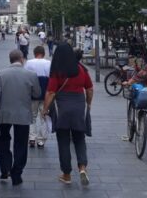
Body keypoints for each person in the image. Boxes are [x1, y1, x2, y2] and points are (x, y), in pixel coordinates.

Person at [0, 49, 41, 186]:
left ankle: (5, 170)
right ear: (21, 59)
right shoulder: (31, 75)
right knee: (21, 144)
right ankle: (17, 173)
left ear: (10, 60)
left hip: (5, 114)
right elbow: (37, 93)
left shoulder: (1, 74)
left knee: (4, 141)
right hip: (23, 115)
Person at [42, 43, 93, 185]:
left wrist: (45, 109)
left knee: (63, 141)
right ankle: (82, 167)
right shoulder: (81, 69)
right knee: (79, 138)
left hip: (62, 108)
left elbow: (51, 92)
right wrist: (88, 104)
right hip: (79, 107)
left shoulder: (57, 71)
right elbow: (89, 89)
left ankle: (66, 174)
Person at [24, 46, 51, 148]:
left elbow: (25, 79)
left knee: (32, 117)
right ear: (43, 54)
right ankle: (41, 140)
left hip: (32, 94)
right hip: (46, 95)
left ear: (35, 53)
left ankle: (32, 138)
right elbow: (51, 80)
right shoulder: (48, 63)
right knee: (44, 117)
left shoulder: (29, 63)